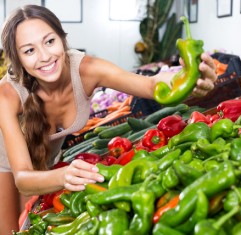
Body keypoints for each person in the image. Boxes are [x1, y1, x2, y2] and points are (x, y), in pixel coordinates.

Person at [0, 4, 217, 234]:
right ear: (18, 59)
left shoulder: (87, 70)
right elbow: (23, 177)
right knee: (9, 230)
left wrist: (190, 81)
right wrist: (64, 175)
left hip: (47, 161)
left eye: (49, 41)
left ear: (62, 38)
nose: (44, 56)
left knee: (32, 224)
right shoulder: (7, 95)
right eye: (29, 51)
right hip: (6, 163)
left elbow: (152, 85)